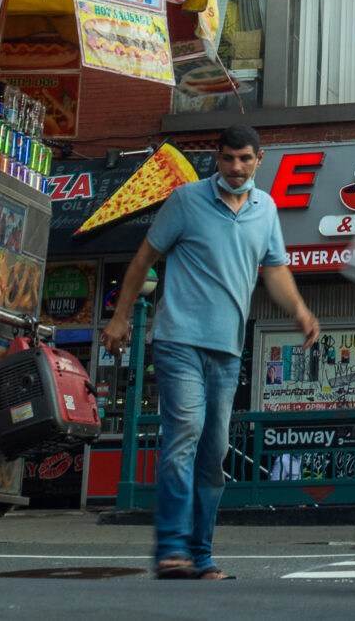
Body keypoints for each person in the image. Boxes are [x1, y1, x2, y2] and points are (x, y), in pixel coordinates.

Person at [101, 124, 319, 580]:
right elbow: (143, 259)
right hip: (178, 338)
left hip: (227, 348)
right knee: (185, 433)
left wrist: (299, 310)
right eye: (227, 159)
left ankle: (201, 555)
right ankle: (172, 549)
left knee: (213, 450)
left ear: (260, 159)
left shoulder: (266, 209)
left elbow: (274, 270)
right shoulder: (185, 201)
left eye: (244, 159)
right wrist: (120, 317)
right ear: (216, 160)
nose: (235, 168)